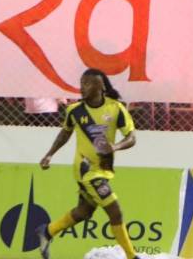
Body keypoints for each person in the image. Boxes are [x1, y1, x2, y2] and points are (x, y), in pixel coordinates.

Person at [37, 68, 139, 259]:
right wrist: (49, 154)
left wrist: (115, 147)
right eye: (81, 82)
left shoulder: (116, 108)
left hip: (103, 170)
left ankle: (47, 231)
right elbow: (65, 133)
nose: (82, 87)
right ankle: (132, 256)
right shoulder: (75, 110)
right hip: (86, 170)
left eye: (87, 83)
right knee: (115, 211)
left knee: (84, 211)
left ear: (100, 86)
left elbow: (132, 137)